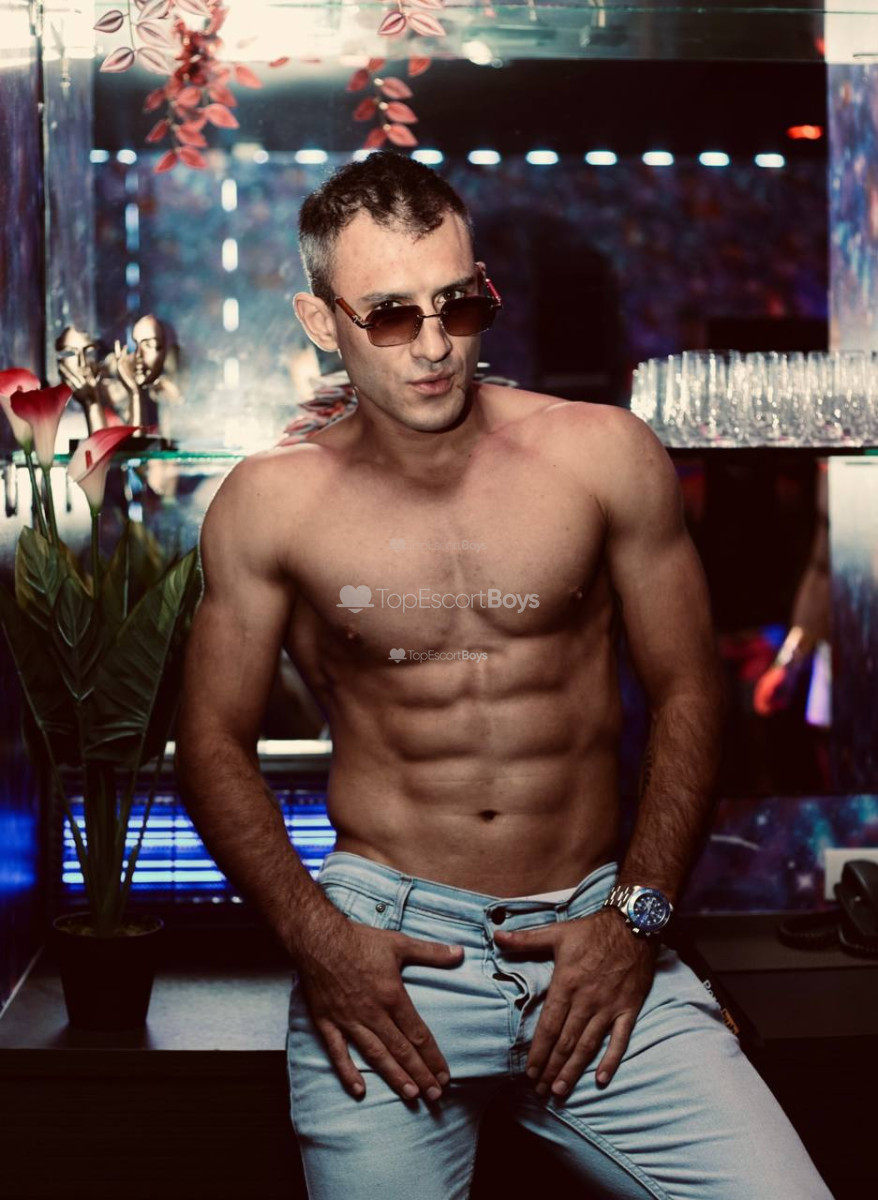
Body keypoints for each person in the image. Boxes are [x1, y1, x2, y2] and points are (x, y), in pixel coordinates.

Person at [174, 151, 833, 1199]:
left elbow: (687, 691)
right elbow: (210, 744)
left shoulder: (602, 456)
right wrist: (320, 943)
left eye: (459, 304)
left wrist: (637, 921)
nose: (435, 345)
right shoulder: (271, 503)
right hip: (387, 953)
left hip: (596, 930)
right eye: (391, 316)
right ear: (320, 322)